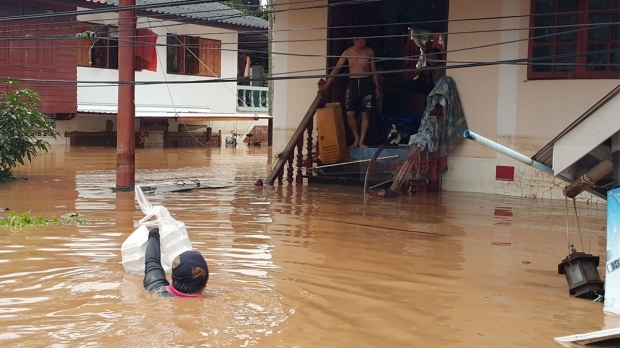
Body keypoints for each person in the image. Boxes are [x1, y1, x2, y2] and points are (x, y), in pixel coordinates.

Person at [319, 37, 380, 148]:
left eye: (365, 41)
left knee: (365, 113)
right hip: (353, 83)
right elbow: (336, 69)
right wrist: (327, 84)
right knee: (349, 114)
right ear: (354, 40)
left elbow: (374, 70)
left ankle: (362, 141)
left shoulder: (369, 52)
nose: (363, 44)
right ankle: (356, 137)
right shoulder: (347, 52)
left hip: (366, 83)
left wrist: (377, 87)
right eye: (361, 41)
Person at [143, 228, 209, 298]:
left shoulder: (154, 289)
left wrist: (154, 231)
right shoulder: (209, 304)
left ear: (172, 277)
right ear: (206, 282)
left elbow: (152, 261)